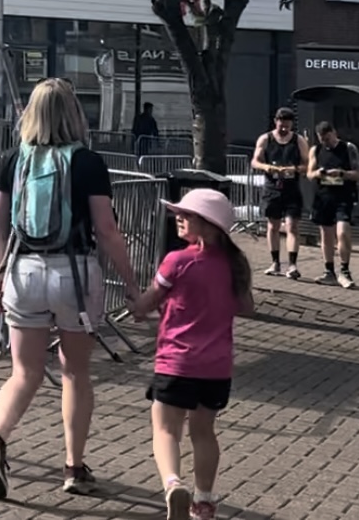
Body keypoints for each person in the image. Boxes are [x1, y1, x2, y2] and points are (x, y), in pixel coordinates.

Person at [0, 78, 142, 501]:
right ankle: (73, 466)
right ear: (73, 113)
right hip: (74, 272)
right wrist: (132, 282)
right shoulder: (87, 162)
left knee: (23, 372)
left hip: (22, 271)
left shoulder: (13, 159)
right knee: (75, 373)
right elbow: (106, 230)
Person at [127, 188, 253, 520]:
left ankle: (173, 485)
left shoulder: (177, 260)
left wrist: (135, 305)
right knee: (204, 432)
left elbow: (148, 301)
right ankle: (205, 501)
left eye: (187, 214)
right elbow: (246, 306)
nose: (178, 218)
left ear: (209, 224)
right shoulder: (234, 265)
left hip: (176, 362)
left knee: (166, 430)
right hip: (216, 368)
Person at [251, 108, 309, 279]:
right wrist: (267, 167)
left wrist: (295, 169)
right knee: (273, 226)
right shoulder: (265, 139)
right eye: (281, 125)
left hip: (292, 188)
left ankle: (292, 264)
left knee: (292, 226)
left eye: (287, 126)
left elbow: (308, 164)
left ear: (292, 124)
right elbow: (255, 161)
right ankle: (275, 262)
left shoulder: (299, 140)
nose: (284, 129)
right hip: (272, 187)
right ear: (275, 121)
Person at [308, 121, 359, 289]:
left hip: (343, 197)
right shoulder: (315, 150)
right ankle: (328, 271)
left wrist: (341, 173)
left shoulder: (348, 148)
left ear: (334, 133)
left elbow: (358, 174)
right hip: (323, 197)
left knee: (343, 232)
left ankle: (344, 270)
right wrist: (319, 172)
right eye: (323, 140)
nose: (326, 143)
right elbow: (309, 174)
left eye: (328, 139)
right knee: (326, 234)